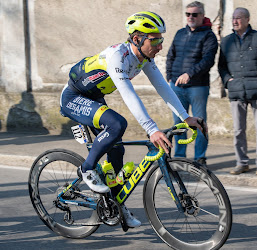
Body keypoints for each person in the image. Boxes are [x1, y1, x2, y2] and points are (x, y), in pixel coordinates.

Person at [60, 11, 206, 228]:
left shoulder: (144, 58)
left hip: (94, 98)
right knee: (118, 124)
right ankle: (87, 168)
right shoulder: (117, 56)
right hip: (74, 97)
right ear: (137, 39)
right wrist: (152, 129)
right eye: (155, 40)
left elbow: (163, 87)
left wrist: (186, 117)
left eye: (161, 39)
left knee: (117, 151)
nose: (160, 45)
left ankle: (116, 205)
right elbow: (129, 94)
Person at [218, 7, 257, 175]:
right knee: (238, 130)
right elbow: (221, 66)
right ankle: (242, 162)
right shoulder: (226, 41)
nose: (235, 21)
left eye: (239, 18)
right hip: (236, 92)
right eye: (233, 18)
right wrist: (228, 81)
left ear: (247, 19)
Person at [166, 1, 218, 167]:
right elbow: (170, 55)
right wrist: (169, 76)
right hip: (176, 87)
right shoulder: (180, 33)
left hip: (198, 87)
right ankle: (180, 158)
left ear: (202, 16)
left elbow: (208, 60)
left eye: (194, 14)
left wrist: (190, 74)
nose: (191, 17)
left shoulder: (209, 36)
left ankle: (200, 158)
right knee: (179, 125)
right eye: (188, 14)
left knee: (199, 123)